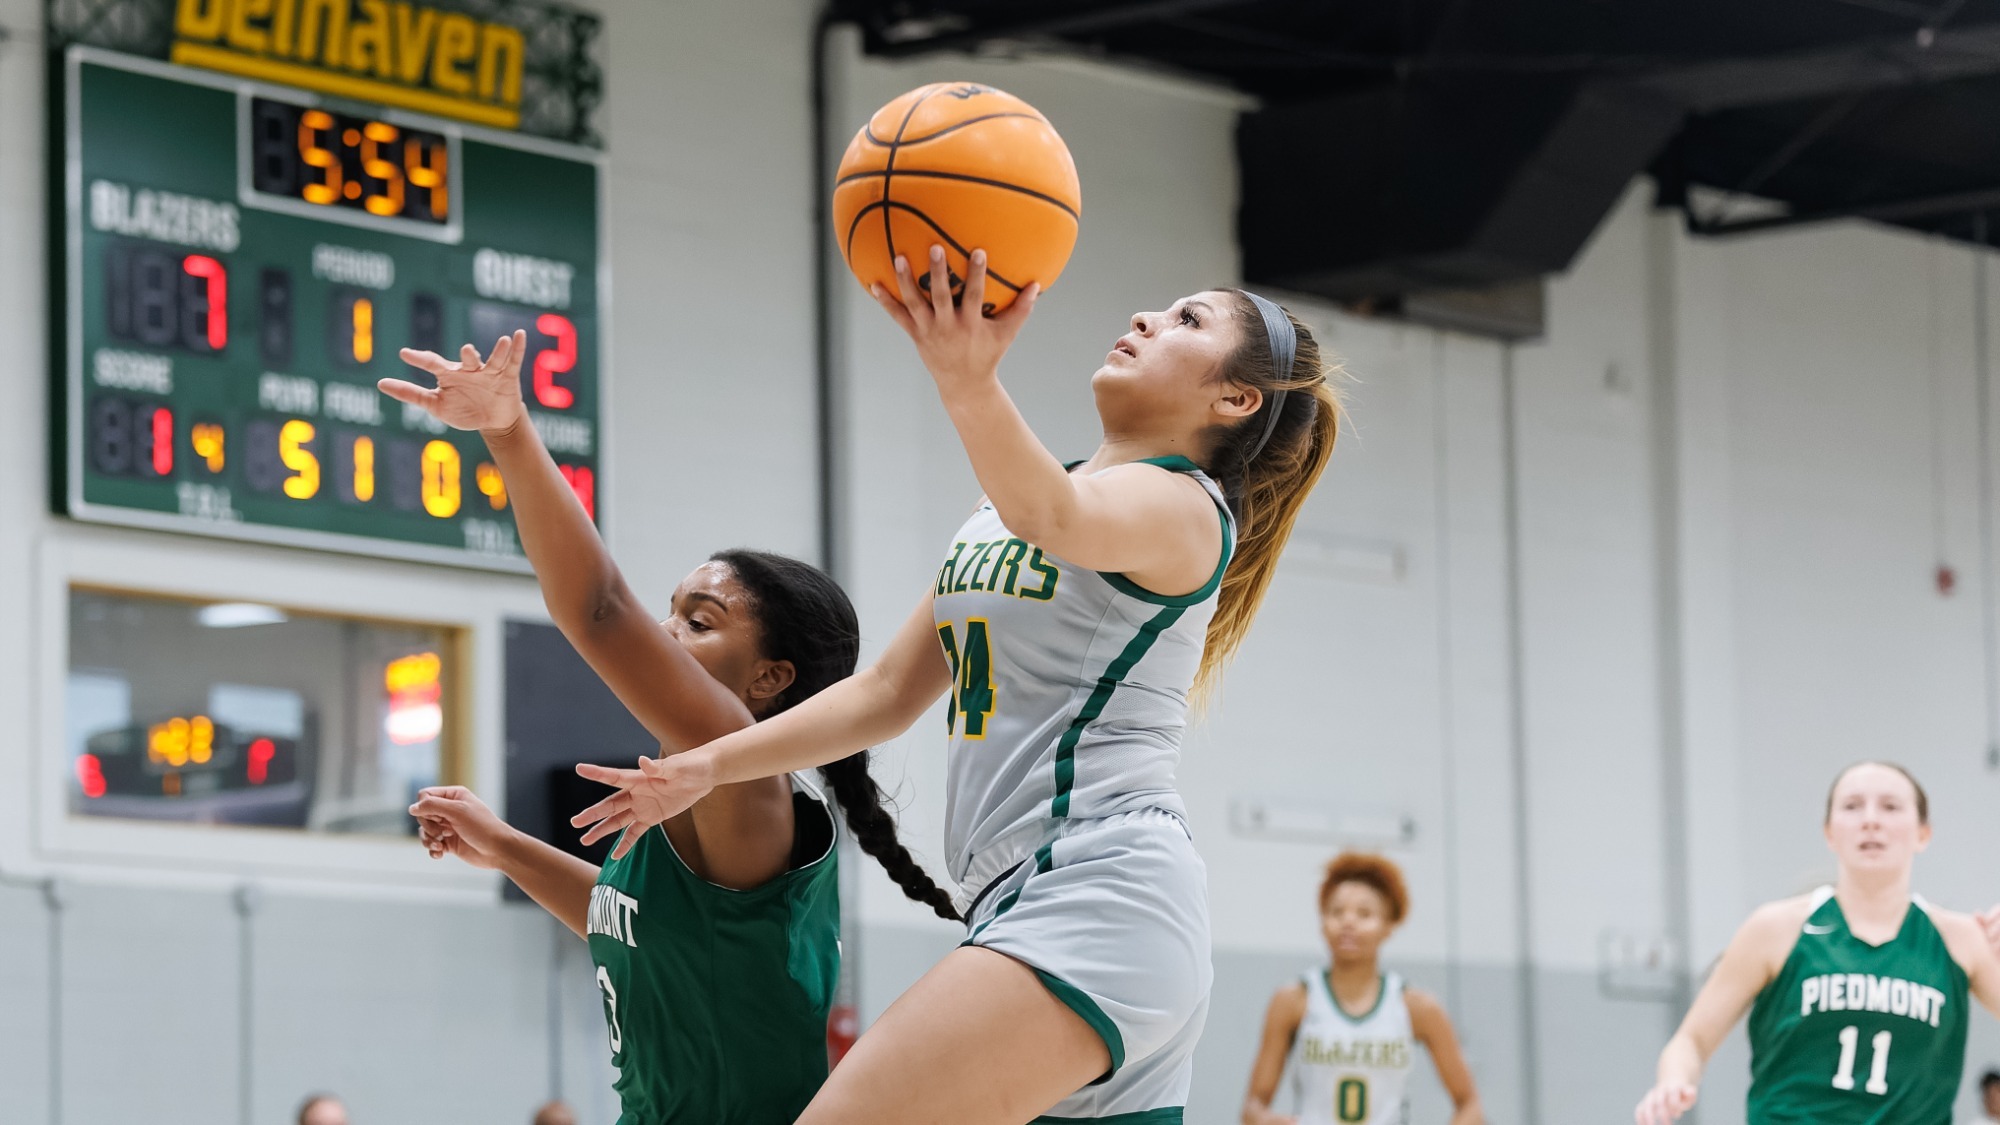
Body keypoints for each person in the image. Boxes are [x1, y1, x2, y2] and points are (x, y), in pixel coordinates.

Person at [569, 247, 1342, 1124]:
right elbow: (888, 693)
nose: (1145, 319)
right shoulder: (996, 514)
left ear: (1235, 400)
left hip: (1099, 895)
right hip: (1033, 907)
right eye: (1161, 308)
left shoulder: (1187, 509)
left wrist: (967, 380)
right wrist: (713, 763)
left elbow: (1053, 514)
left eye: (1187, 321)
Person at [383, 334, 956, 1124]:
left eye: (700, 619)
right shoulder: (687, 805)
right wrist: (505, 844)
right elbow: (628, 920)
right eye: (671, 610)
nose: (665, 631)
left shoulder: (747, 779)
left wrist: (509, 430)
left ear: (769, 678)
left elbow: (598, 610)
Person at [1634, 761, 2000, 1124]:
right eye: (1852, 806)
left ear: (1923, 833)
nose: (1870, 820)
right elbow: (1692, 1040)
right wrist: (1673, 1082)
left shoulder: (1962, 938)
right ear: (1829, 833)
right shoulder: (1775, 929)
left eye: (1890, 807)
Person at [1241, 853, 1482, 1125]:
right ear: (1322, 922)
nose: (1348, 922)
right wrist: (1268, 1120)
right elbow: (1252, 1108)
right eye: (1336, 912)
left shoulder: (1418, 1007)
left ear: (1389, 925)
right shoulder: (1293, 1000)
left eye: (1364, 914)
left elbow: (1470, 1104)